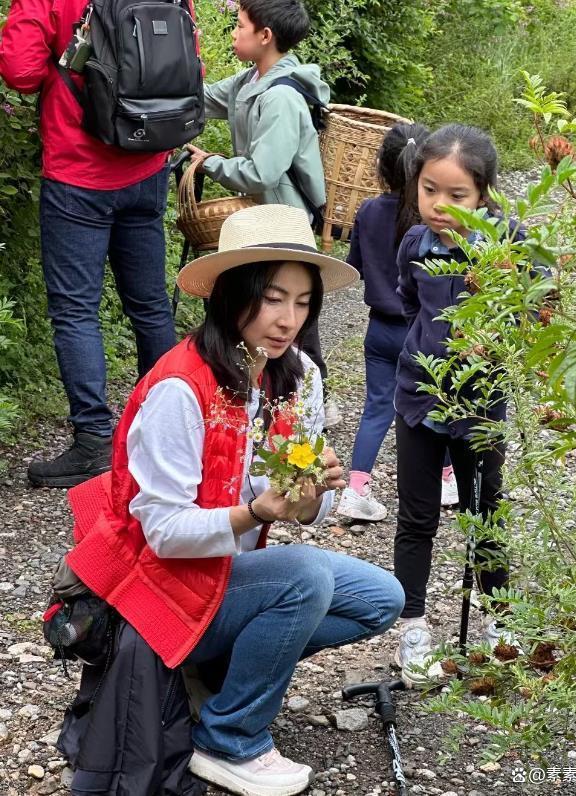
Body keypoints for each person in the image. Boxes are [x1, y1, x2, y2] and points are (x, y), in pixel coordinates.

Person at [61, 204, 405, 796]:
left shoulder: (296, 374)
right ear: (230, 294)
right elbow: (162, 532)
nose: (287, 320)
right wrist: (254, 514)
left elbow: (302, 507)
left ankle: (215, 674)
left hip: (225, 574)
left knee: (380, 599)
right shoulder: (180, 387)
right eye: (271, 298)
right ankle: (229, 737)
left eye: (303, 302)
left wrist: (309, 497)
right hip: (155, 584)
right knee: (304, 577)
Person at [0, 0, 179, 488]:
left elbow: (19, 70)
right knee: (149, 305)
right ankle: (167, 430)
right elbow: (186, 63)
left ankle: (94, 440)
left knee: (77, 311)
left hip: (78, 171)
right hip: (148, 159)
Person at [392, 125, 519, 686]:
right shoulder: (414, 245)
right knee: (416, 515)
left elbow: (532, 311)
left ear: (484, 194)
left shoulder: (508, 245)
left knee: (485, 512)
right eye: (429, 190)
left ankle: (500, 623)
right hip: (419, 394)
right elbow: (409, 302)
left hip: (481, 403)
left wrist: (493, 340)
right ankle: (413, 628)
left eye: (457, 195)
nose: (439, 205)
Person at [188, 0, 341, 427]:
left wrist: (211, 163)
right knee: (258, 307)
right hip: (262, 218)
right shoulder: (250, 81)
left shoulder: (281, 98)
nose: (234, 33)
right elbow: (202, 98)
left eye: (240, 25)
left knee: (291, 312)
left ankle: (315, 403)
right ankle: (253, 399)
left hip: (286, 221)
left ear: (265, 36)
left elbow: (262, 172)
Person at [336, 122, 430, 522]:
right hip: (422, 330)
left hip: (378, 330)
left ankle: (356, 489)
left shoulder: (369, 210)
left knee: (377, 407)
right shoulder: (430, 221)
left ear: (380, 167)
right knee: (434, 403)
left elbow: (354, 266)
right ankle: (445, 479)